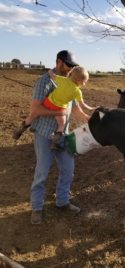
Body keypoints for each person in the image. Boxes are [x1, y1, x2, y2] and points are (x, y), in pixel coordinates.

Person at [17, 50, 86, 224]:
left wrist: (91, 118)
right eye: (68, 65)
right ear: (59, 62)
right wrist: (60, 111)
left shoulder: (71, 82)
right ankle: (37, 208)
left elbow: (76, 108)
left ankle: (62, 202)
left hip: (63, 135)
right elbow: (35, 111)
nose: (71, 68)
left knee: (68, 171)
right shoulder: (44, 82)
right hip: (44, 135)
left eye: (73, 66)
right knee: (42, 173)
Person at [14, 64, 95, 150]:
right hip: (59, 108)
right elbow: (82, 104)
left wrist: (49, 71)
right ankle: (55, 143)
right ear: (79, 80)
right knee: (61, 125)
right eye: (84, 81)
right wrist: (91, 108)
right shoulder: (77, 92)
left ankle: (20, 129)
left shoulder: (64, 80)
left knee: (32, 115)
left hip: (48, 102)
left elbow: (53, 76)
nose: (85, 84)